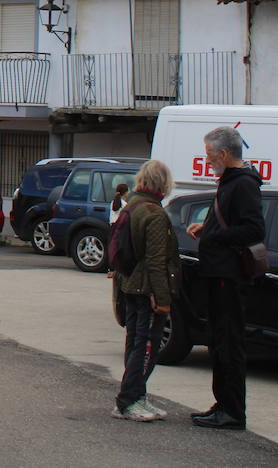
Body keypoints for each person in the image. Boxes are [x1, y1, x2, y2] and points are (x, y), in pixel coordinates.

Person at [187, 126, 265, 430]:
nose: (207, 160)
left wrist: (215, 237)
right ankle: (222, 404)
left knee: (229, 343)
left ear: (222, 153)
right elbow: (231, 223)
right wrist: (208, 229)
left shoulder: (243, 184)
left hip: (229, 276)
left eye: (209, 154)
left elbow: (253, 230)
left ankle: (232, 411)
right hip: (218, 272)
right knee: (219, 342)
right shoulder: (231, 181)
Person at [112, 159, 180, 422]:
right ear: (163, 183)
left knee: (135, 342)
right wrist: (163, 298)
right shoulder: (154, 213)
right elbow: (156, 260)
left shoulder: (132, 205)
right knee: (146, 346)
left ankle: (137, 396)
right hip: (147, 290)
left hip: (130, 284)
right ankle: (128, 401)